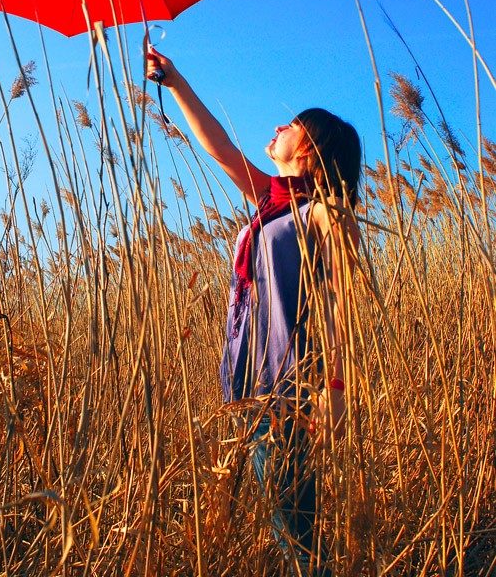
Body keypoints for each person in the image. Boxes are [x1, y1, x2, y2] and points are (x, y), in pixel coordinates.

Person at [147, 50, 361, 577]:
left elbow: (344, 308)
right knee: (280, 522)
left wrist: (334, 389)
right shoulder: (273, 201)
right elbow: (220, 149)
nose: (277, 127)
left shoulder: (325, 213)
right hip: (247, 386)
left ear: (309, 148)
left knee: (296, 533)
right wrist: (175, 82)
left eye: (290, 125)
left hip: (289, 392)